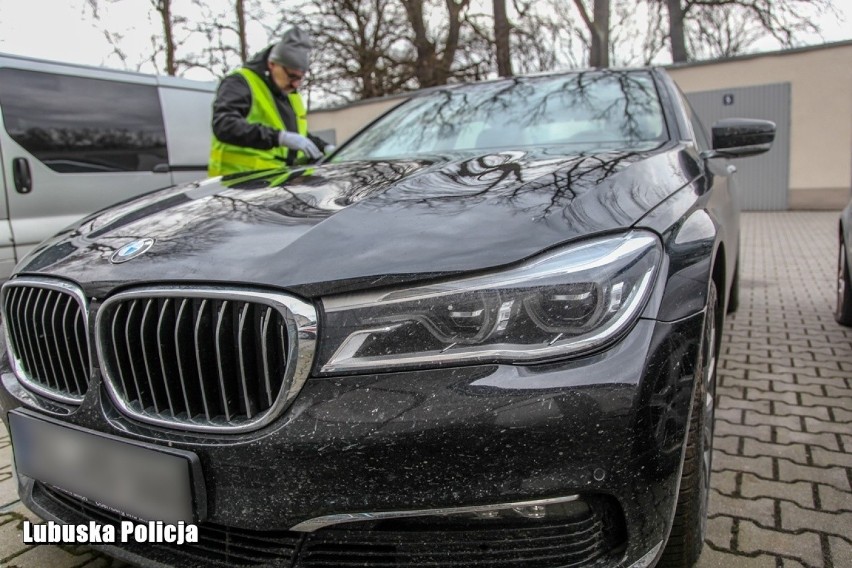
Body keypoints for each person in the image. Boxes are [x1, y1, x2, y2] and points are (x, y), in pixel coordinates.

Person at [208, 27, 331, 177]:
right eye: (292, 76)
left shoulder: (290, 94)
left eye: (300, 78)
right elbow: (224, 124)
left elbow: (297, 135)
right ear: (272, 64)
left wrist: (325, 147)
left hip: (276, 184)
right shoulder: (240, 83)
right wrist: (279, 137)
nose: (296, 85)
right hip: (238, 185)